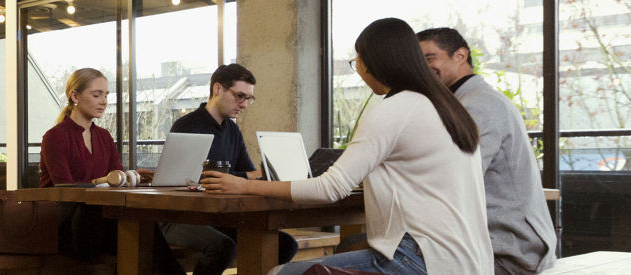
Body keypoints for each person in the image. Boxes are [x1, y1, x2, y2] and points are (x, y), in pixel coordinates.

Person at [202, 18, 492, 274]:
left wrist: (244, 186)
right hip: (471, 260)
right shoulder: (448, 107)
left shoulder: (394, 108)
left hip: (421, 260)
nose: (359, 70)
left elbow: (330, 188)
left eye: (357, 61)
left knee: (281, 272)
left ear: (373, 62)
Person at [418, 27, 557, 274]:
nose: (424, 67)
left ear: (460, 56)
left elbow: (455, 181)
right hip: (506, 246)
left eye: (430, 58)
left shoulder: (477, 105)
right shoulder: (471, 100)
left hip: (510, 253)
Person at [39, 68, 183, 274]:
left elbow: (116, 179)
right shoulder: (54, 137)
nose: (104, 101)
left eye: (106, 95)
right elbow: (66, 190)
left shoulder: (104, 136)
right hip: (65, 225)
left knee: (142, 229)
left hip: (99, 221)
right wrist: (106, 180)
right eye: (96, 95)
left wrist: (133, 178)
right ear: (74, 96)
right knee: (138, 232)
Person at [162, 64, 298, 275]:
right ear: (217, 89)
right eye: (239, 96)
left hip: (218, 216)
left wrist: (258, 176)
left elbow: (249, 176)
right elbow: (194, 179)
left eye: (248, 98)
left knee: (286, 244)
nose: (244, 104)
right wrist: (249, 176)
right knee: (223, 247)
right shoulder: (187, 126)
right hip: (180, 216)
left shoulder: (232, 129)